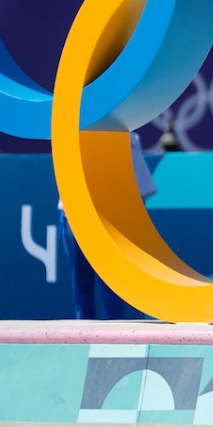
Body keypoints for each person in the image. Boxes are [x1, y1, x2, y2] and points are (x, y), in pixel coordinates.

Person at [58, 131, 158, 319]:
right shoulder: (73, 137)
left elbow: (141, 194)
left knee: (111, 289)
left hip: (109, 225)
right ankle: (85, 337)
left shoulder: (126, 142)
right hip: (75, 216)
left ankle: (114, 338)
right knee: (83, 289)